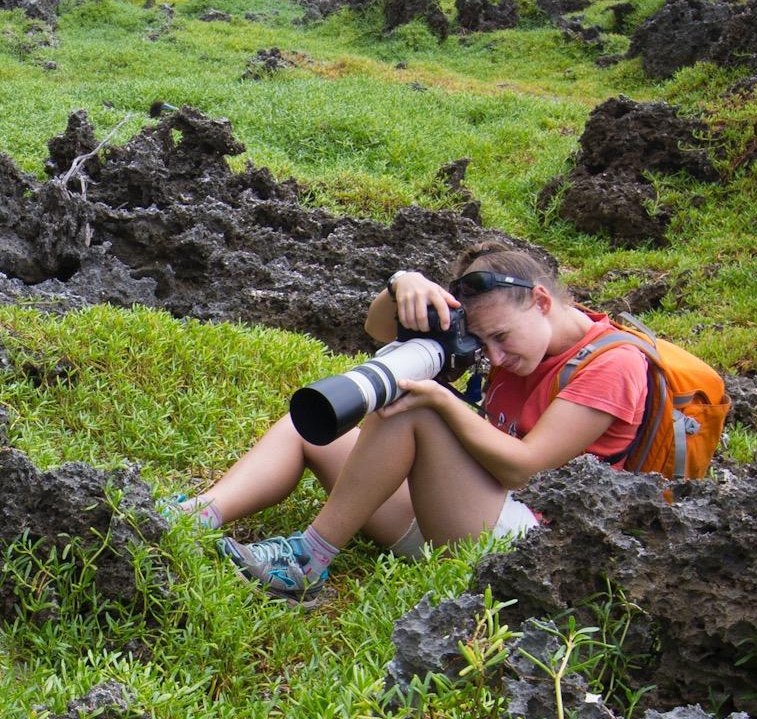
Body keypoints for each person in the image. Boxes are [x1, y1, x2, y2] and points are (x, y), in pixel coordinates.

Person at [177, 244, 650, 596]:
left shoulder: (612, 365)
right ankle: (192, 517)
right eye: (484, 344)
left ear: (542, 302)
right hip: (462, 512)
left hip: (529, 551)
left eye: (502, 338)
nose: (496, 357)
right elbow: (378, 330)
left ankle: (308, 560)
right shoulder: (509, 338)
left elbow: (523, 468)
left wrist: (443, 402)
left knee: (415, 406)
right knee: (307, 429)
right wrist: (401, 284)